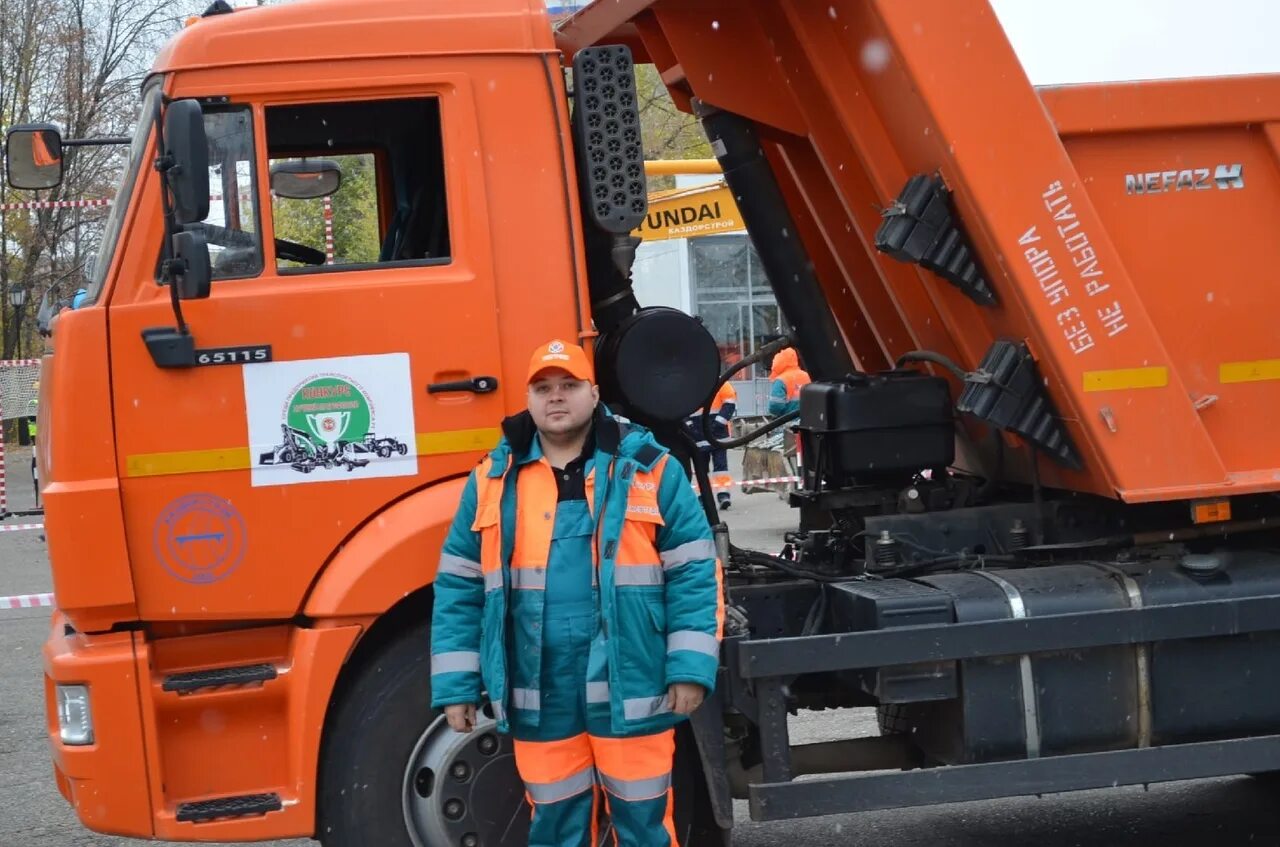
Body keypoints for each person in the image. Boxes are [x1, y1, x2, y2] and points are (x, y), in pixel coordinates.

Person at [430, 339, 723, 847]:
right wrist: (457, 685)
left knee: (643, 823)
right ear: (528, 398)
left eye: (568, 385)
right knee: (555, 824)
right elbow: (459, 586)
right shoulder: (491, 481)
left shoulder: (650, 469)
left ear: (594, 393)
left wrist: (690, 668)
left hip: (633, 677)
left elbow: (695, 572)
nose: (556, 397)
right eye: (543, 388)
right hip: (538, 687)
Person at [685, 380, 737, 511]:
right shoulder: (717, 381)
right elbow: (682, 409)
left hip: (710, 434)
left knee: (716, 467)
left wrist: (716, 424)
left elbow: (729, 402)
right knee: (705, 468)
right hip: (706, 434)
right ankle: (710, 495)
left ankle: (720, 495)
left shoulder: (717, 382)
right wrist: (691, 427)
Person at [766, 347, 811, 416]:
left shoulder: (781, 380)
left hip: (788, 423)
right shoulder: (807, 376)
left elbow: (775, 406)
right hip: (806, 422)